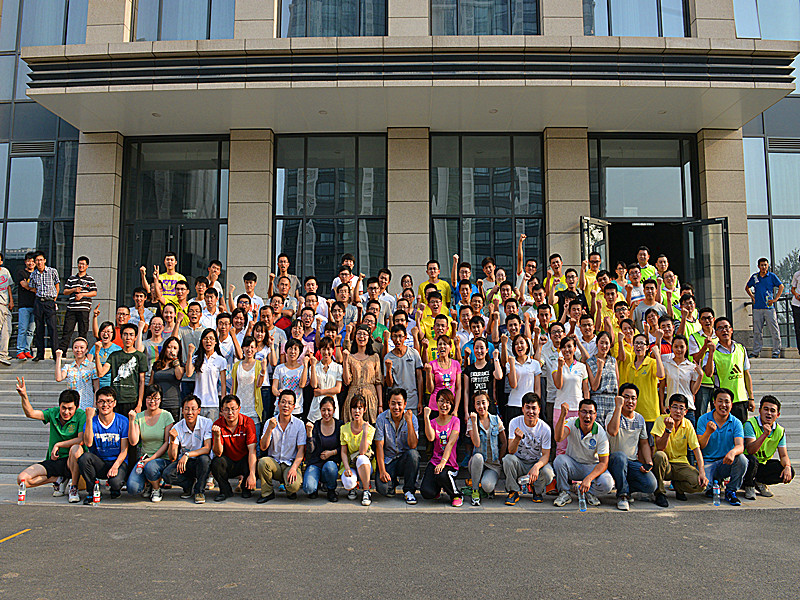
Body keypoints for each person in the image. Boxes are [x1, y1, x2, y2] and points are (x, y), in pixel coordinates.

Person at [15, 377, 85, 503]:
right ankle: (58, 480)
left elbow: (81, 439)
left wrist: (58, 444)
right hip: (55, 460)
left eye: (70, 408)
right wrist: (24, 395)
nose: (66, 412)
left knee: (76, 448)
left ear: (77, 407)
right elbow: (31, 413)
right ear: (59, 405)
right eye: (63, 408)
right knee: (22, 479)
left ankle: (73, 487)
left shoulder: (81, 415)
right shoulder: (53, 413)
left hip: (73, 462)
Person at [552, 398, 613, 508]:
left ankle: (588, 492)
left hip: (591, 467)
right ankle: (564, 493)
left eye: (591, 413)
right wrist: (562, 415)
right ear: (578, 413)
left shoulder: (600, 432)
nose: (587, 416)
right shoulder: (571, 422)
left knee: (608, 483)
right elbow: (558, 438)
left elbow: (604, 463)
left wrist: (589, 478)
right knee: (559, 460)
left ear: (595, 415)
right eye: (584, 412)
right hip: (573, 465)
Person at [605, 384, 657, 511]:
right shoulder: (612, 415)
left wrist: (649, 462)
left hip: (632, 462)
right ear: (620, 398)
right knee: (620, 457)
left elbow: (644, 443)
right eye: (626, 397)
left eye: (633, 398)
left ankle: (627, 489)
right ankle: (622, 495)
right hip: (614, 461)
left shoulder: (640, 418)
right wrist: (618, 407)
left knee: (651, 484)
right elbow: (613, 432)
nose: (630, 401)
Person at [651, 393, 707, 507]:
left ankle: (678, 487)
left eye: (681, 408)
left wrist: (702, 472)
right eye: (675, 407)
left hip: (681, 463)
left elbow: (696, 449)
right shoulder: (661, 420)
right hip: (665, 464)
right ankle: (660, 493)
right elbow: (660, 447)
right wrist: (668, 429)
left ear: (686, 411)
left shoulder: (688, 424)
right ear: (669, 408)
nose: (678, 411)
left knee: (700, 485)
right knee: (659, 455)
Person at [695, 387, 747, 506]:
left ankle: (731, 490)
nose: (723, 405)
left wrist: (732, 452)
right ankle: (713, 484)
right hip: (707, 462)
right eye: (720, 401)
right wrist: (708, 432)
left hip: (725, 462)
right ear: (714, 402)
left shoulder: (736, 422)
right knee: (702, 486)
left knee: (742, 460)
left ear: (731, 404)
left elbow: (740, 446)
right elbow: (700, 445)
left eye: (727, 402)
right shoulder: (704, 419)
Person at [78, 387, 129, 504]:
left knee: (116, 483)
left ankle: (115, 488)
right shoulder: (91, 422)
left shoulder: (123, 421)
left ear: (114, 403)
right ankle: (91, 491)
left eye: (109, 401)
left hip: (117, 462)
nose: (105, 405)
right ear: (96, 404)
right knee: (84, 458)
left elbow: (124, 449)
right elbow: (88, 443)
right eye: (101, 401)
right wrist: (89, 418)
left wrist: (115, 466)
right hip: (100, 462)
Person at [501, 392, 553, 505]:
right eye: (527, 407)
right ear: (522, 409)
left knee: (548, 473)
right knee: (507, 460)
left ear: (539, 410)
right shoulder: (514, 422)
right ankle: (513, 491)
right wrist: (517, 439)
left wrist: (536, 466)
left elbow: (546, 455)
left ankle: (537, 490)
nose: (531, 411)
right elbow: (510, 451)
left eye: (534, 408)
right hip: (519, 462)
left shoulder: (545, 428)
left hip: (535, 462)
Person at [126, 384, 175, 502]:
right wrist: (132, 421)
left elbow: (167, 442)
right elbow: (133, 442)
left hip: (161, 458)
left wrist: (152, 459)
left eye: (156, 398)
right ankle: (149, 483)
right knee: (132, 488)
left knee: (151, 467)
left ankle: (156, 489)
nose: (152, 401)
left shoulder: (166, 416)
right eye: (149, 398)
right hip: (144, 458)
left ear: (160, 399)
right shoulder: (139, 416)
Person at [162, 394, 213, 504]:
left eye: (193, 409)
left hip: (199, 460)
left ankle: (199, 491)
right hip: (185, 464)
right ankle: (188, 485)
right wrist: (172, 440)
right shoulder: (177, 427)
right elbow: (172, 457)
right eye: (186, 409)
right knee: (167, 474)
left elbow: (207, 448)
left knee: (204, 460)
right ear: (182, 410)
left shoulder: (206, 423)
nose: (189, 412)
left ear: (199, 410)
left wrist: (187, 455)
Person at [703, 316, 754, 425]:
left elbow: (746, 374)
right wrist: (711, 353)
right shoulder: (712, 352)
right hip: (723, 402)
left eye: (726, 327)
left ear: (731, 330)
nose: (724, 330)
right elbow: (708, 373)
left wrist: (751, 398)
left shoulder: (741, 349)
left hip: (740, 399)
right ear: (716, 333)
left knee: (740, 431)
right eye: (720, 328)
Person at [257, 390, 305, 502]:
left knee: (293, 486)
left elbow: (301, 450)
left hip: (290, 464)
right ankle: (267, 493)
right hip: (274, 464)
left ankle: (290, 490)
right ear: (278, 404)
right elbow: (263, 447)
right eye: (283, 402)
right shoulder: (270, 422)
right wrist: (270, 429)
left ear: (294, 406)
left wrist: (294, 468)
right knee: (263, 462)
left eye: (289, 403)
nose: (286, 406)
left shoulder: (299, 424)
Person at [743, 395, 794, 499]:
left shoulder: (780, 431)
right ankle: (748, 485)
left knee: (788, 470)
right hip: (746, 463)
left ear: (778, 414)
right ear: (760, 410)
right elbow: (751, 450)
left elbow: (783, 455)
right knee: (752, 460)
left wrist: (787, 467)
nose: (769, 413)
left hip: (762, 464)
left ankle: (759, 482)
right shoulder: (750, 424)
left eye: (772, 411)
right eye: (766, 409)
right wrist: (765, 435)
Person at [375, 388, 420, 504]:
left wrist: (409, 422)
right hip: (389, 460)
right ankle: (393, 482)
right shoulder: (381, 418)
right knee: (384, 490)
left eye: (399, 404)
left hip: (404, 459)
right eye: (393, 403)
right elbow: (379, 446)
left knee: (414, 455)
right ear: (388, 403)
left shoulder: (412, 418)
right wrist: (382, 471)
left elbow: (413, 445)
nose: (396, 407)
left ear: (405, 404)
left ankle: (409, 490)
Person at [211, 394, 258, 502]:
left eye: (233, 409)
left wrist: (252, 474)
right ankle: (225, 491)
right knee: (216, 462)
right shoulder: (217, 424)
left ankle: (246, 488)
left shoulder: (248, 422)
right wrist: (217, 436)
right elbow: (218, 453)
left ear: (239, 409)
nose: (230, 413)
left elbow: (252, 450)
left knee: (256, 462)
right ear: (222, 410)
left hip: (244, 461)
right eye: (226, 409)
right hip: (228, 462)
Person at [94, 323, 148, 416]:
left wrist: (139, 404)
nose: (128, 338)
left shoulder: (140, 356)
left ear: (135, 337)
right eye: (125, 334)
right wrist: (97, 353)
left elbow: (141, 382)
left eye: (131, 335)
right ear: (121, 336)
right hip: (115, 400)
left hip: (132, 399)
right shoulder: (114, 355)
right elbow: (101, 373)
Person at [421, 390, 462, 506]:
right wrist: (426, 417)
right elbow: (430, 438)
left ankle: (456, 495)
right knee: (427, 493)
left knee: (442, 474)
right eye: (441, 401)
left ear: (451, 405)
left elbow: (450, 443)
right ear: (436, 402)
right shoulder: (433, 422)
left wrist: (442, 463)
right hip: (435, 461)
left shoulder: (455, 421)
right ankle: (439, 487)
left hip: (449, 464)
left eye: (448, 402)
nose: (444, 405)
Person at [467, 391, 508, 506]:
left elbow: (504, 442)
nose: (481, 406)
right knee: (478, 457)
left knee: (488, 486)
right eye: (478, 403)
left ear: (488, 403)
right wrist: (474, 422)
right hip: (476, 462)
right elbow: (476, 443)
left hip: (492, 465)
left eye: (483, 403)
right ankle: (475, 490)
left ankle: (486, 486)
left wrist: (499, 458)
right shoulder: (472, 421)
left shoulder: (496, 419)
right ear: (474, 406)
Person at [552, 335, 589, 454]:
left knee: (577, 444)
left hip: (578, 409)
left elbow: (586, 390)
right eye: (563, 347)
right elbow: (558, 385)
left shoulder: (582, 366)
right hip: (560, 408)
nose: (566, 350)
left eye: (569, 346)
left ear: (574, 349)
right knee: (561, 444)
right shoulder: (555, 364)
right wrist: (560, 367)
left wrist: (587, 409)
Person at [303, 396, 342, 502]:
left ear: (334, 410)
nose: (326, 413)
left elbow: (343, 448)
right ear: (320, 410)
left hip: (331, 463)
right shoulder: (316, 425)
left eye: (329, 410)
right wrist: (309, 434)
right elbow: (310, 450)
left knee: (330, 467)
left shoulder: (339, 425)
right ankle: (316, 485)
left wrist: (332, 453)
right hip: (316, 463)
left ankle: (331, 489)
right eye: (323, 410)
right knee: (308, 488)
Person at [339, 395, 376, 506]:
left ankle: (366, 491)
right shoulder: (344, 428)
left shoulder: (370, 429)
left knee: (361, 458)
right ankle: (353, 488)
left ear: (364, 410)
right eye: (354, 408)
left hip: (365, 464)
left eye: (360, 408)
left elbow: (362, 451)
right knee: (348, 483)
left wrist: (365, 432)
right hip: (350, 464)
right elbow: (343, 452)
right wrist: (346, 468)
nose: (357, 411)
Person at [342, 325, 383, 423]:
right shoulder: (350, 357)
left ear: (369, 337)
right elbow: (347, 381)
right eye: (359, 334)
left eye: (365, 334)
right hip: (353, 396)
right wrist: (345, 361)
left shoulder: (374, 357)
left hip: (370, 396)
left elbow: (378, 382)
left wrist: (380, 405)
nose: (361, 336)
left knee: (370, 426)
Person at [185, 328, 227, 421]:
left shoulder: (221, 360)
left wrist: (223, 405)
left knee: (211, 429)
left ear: (216, 342)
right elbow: (188, 373)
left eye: (211, 338)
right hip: (197, 404)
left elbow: (223, 385)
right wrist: (190, 354)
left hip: (213, 404)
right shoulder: (196, 358)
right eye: (205, 338)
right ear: (201, 341)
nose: (208, 341)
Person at [746, 257, 784, 358]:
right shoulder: (755, 277)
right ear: (758, 266)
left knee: (774, 330)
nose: (763, 267)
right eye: (762, 265)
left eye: (765, 265)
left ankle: (776, 351)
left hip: (769, 308)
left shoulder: (771, 276)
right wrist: (752, 297)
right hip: (757, 308)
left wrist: (775, 299)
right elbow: (747, 287)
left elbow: (781, 286)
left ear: (768, 266)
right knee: (757, 331)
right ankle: (756, 351)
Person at [231, 336, 267, 441]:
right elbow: (233, 387)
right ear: (242, 348)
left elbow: (259, 384)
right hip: (239, 410)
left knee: (254, 441)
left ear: (256, 349)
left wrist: (263, 370)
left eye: (252, 347)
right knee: (238, 441)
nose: (249, 349)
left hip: (253, 410)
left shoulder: (259, 364)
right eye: (247, 346)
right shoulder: (236, 365)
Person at [58, 256, 97, 353]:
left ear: (87, 266)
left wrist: (82, 294)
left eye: (83, 264)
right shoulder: (71, 279)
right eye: (79, 264)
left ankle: (82, 352)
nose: (81, 266)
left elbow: (94, 292)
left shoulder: (90, 279)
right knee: (67, 331)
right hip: (72, 308)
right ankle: (62, 352)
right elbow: (65, 291)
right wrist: (74, 290)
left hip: (84, 309)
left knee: (83, 332)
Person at [662, 334, 703, 426]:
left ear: (686, 348)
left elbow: (693, 390)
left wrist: (700, 376)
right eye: (676, 346)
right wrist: (662, 405)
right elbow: (662, 387)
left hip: (687, 409)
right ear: (672, 347)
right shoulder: (666, 365)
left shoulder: (692, 367)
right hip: (670, 407)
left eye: (682, 347)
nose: (679, 350)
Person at [384, 325, 424, 414]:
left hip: (413, 400)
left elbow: (419, 378)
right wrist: (388, 369)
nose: (397, 340)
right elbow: (389, 384)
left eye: (400, 336)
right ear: (391, 338)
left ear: (405, 337)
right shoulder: (388, 357)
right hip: (397, 403)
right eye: (394, 336)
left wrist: (420, 401)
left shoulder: (413, 353)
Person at [28, 251, 60, 362]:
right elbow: (32, 287)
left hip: (49, 302)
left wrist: (54, 299)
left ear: (45, 260)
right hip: (38, 302)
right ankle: (40, 354)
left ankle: (55, 354)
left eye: (41, 260)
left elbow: (57, 285)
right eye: (37, 260)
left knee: (52, 328)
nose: (39, 262)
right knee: (39, 328)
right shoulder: (33, 274)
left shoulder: (52, 271)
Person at [506, 334, 542, 425]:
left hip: (530, 406)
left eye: (522, 343)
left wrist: (537, 406)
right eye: (516, 344)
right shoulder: (509, 364)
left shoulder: (535, 364)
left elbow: (537, 388)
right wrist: (512, 364)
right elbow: (513, 384)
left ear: (527, 346)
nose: (519, 346)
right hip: (514, 404)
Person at [586, 331, 619, 424]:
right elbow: (594, 387)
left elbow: (617, 383)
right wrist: (600, 369)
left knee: (612, 428)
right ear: (597, 344)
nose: (604, 346)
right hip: (597, 399)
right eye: (601, 343)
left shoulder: (613, 361)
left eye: (606, 343)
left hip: (612, 400)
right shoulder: (590, 362)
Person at [55, 338, 97, 409]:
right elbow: (59, 378)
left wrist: (94, 406)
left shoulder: (92, 366)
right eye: (76, 347)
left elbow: (96, 388)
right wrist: (58, 358)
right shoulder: (68, 367)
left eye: (82, 347)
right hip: (72, 406)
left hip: (87, 404)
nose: (78, 350)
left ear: (86, 350)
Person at [149, 337, 184, 421]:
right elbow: (151, 383)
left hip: (172, 404)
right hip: (157, 403)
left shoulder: (180, 365)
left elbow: (179, 376)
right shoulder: (157, 364)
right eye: (169, 347)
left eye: (175, 348)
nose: (171, 350)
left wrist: (176, 361)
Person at [14, 252, 36, 360]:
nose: (30, 263)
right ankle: (20, 351)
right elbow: (24, 285)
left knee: (31, 331)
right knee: (22, 329)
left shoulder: (37, 274)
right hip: (24, 305)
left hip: (35, 306)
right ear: (25, 262)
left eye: (32, 261)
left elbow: (28, 286)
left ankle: (27, 350)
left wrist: (30, 287)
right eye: (28, 261)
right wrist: (36, 289)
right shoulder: (21, 273)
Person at [791, 256, 800, 351]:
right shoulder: (797, 274)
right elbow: (792, 289)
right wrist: (796, 295)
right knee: (798, 328)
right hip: (796, 304)